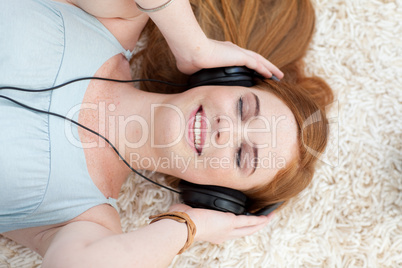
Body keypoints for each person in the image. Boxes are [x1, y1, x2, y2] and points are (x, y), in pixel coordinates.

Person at [0, 0, 333, 267]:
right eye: (244, 108)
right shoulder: (118, 17)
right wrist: (194, 47)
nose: (225, 128)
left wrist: (189, 226)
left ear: (217, 197)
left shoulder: (86, 222)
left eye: (241, 155)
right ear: (225, 78)